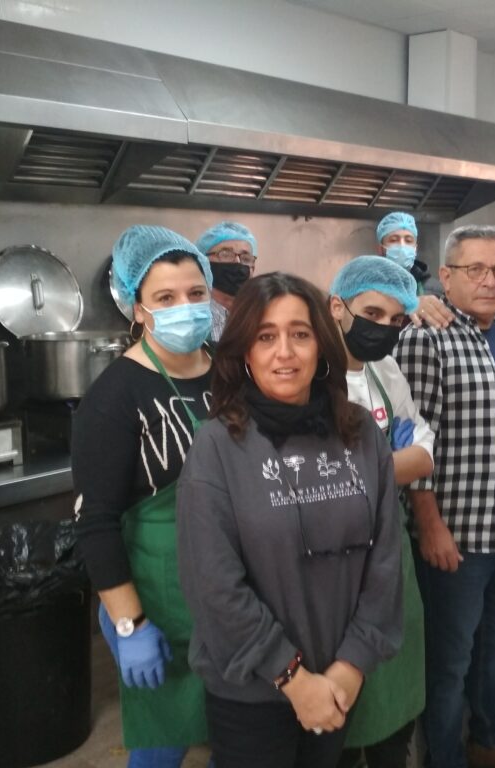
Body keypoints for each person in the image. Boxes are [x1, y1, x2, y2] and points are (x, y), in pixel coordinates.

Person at [176, 272, 403, 768]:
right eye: (266, 336)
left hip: (340, 679)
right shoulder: (217, 446)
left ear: (322, 344)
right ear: (244, 353)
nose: (285, 352)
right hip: (253, 694)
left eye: (300, 334)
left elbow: (385, 559)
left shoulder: (360, 432)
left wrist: (350, 666)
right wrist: (292, 679)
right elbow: (213, 585)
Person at [395, 224, 495, 768]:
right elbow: (416, 437)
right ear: (446, 277)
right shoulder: (427, 336)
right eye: (475, 270)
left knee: (494, 646)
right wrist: (430, 524)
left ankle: (490, 741)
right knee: (449, 661)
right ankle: (444, 758)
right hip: (457, 535)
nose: (490, 281)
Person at [72, 224, 215, 767]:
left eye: (195, 294)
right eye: (166, 298)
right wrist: (130, 625)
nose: (186, 307)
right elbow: (97, 522)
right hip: (156, 598)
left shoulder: (232, 368)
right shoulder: (114, 397)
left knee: (237, 729)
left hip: (228, 591)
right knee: (164, 738)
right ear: (137, 308)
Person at [328, 255, 434, 768]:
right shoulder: (309, 376)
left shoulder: (385, 368)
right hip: (332, 564)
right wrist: (397, 460)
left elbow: (424, 441)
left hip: (392, 550)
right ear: (337, 307)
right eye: (372, 313)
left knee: (395, 711)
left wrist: (394, 461)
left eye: (396, 321)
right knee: (344, 709)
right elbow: (321, 482)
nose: (384, 330)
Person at [196, 220, 258, 340]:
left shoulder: (259, 314)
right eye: (225, 254)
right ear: (204, 262)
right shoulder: (194, 317)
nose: (237, 262)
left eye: (246, 258)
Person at [376, 211, 443, 297]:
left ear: (415, 249)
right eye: (394, 240)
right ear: (381, 249)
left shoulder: (435, 290)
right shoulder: (368, 287)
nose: (402, 246)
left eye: (408, 241)